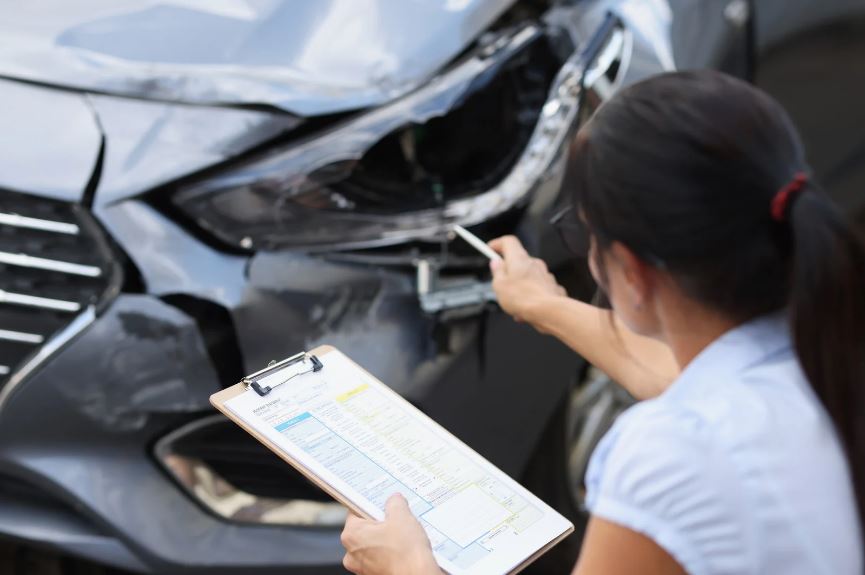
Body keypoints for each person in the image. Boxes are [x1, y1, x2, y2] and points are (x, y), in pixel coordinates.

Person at [339, 70, 864, 574]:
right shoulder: (828, 352)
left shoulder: (672, 454)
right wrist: (543, 304)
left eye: (585, 235)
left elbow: (689, 414)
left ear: (632, 271)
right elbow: (684, 382)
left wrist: (409, 567)